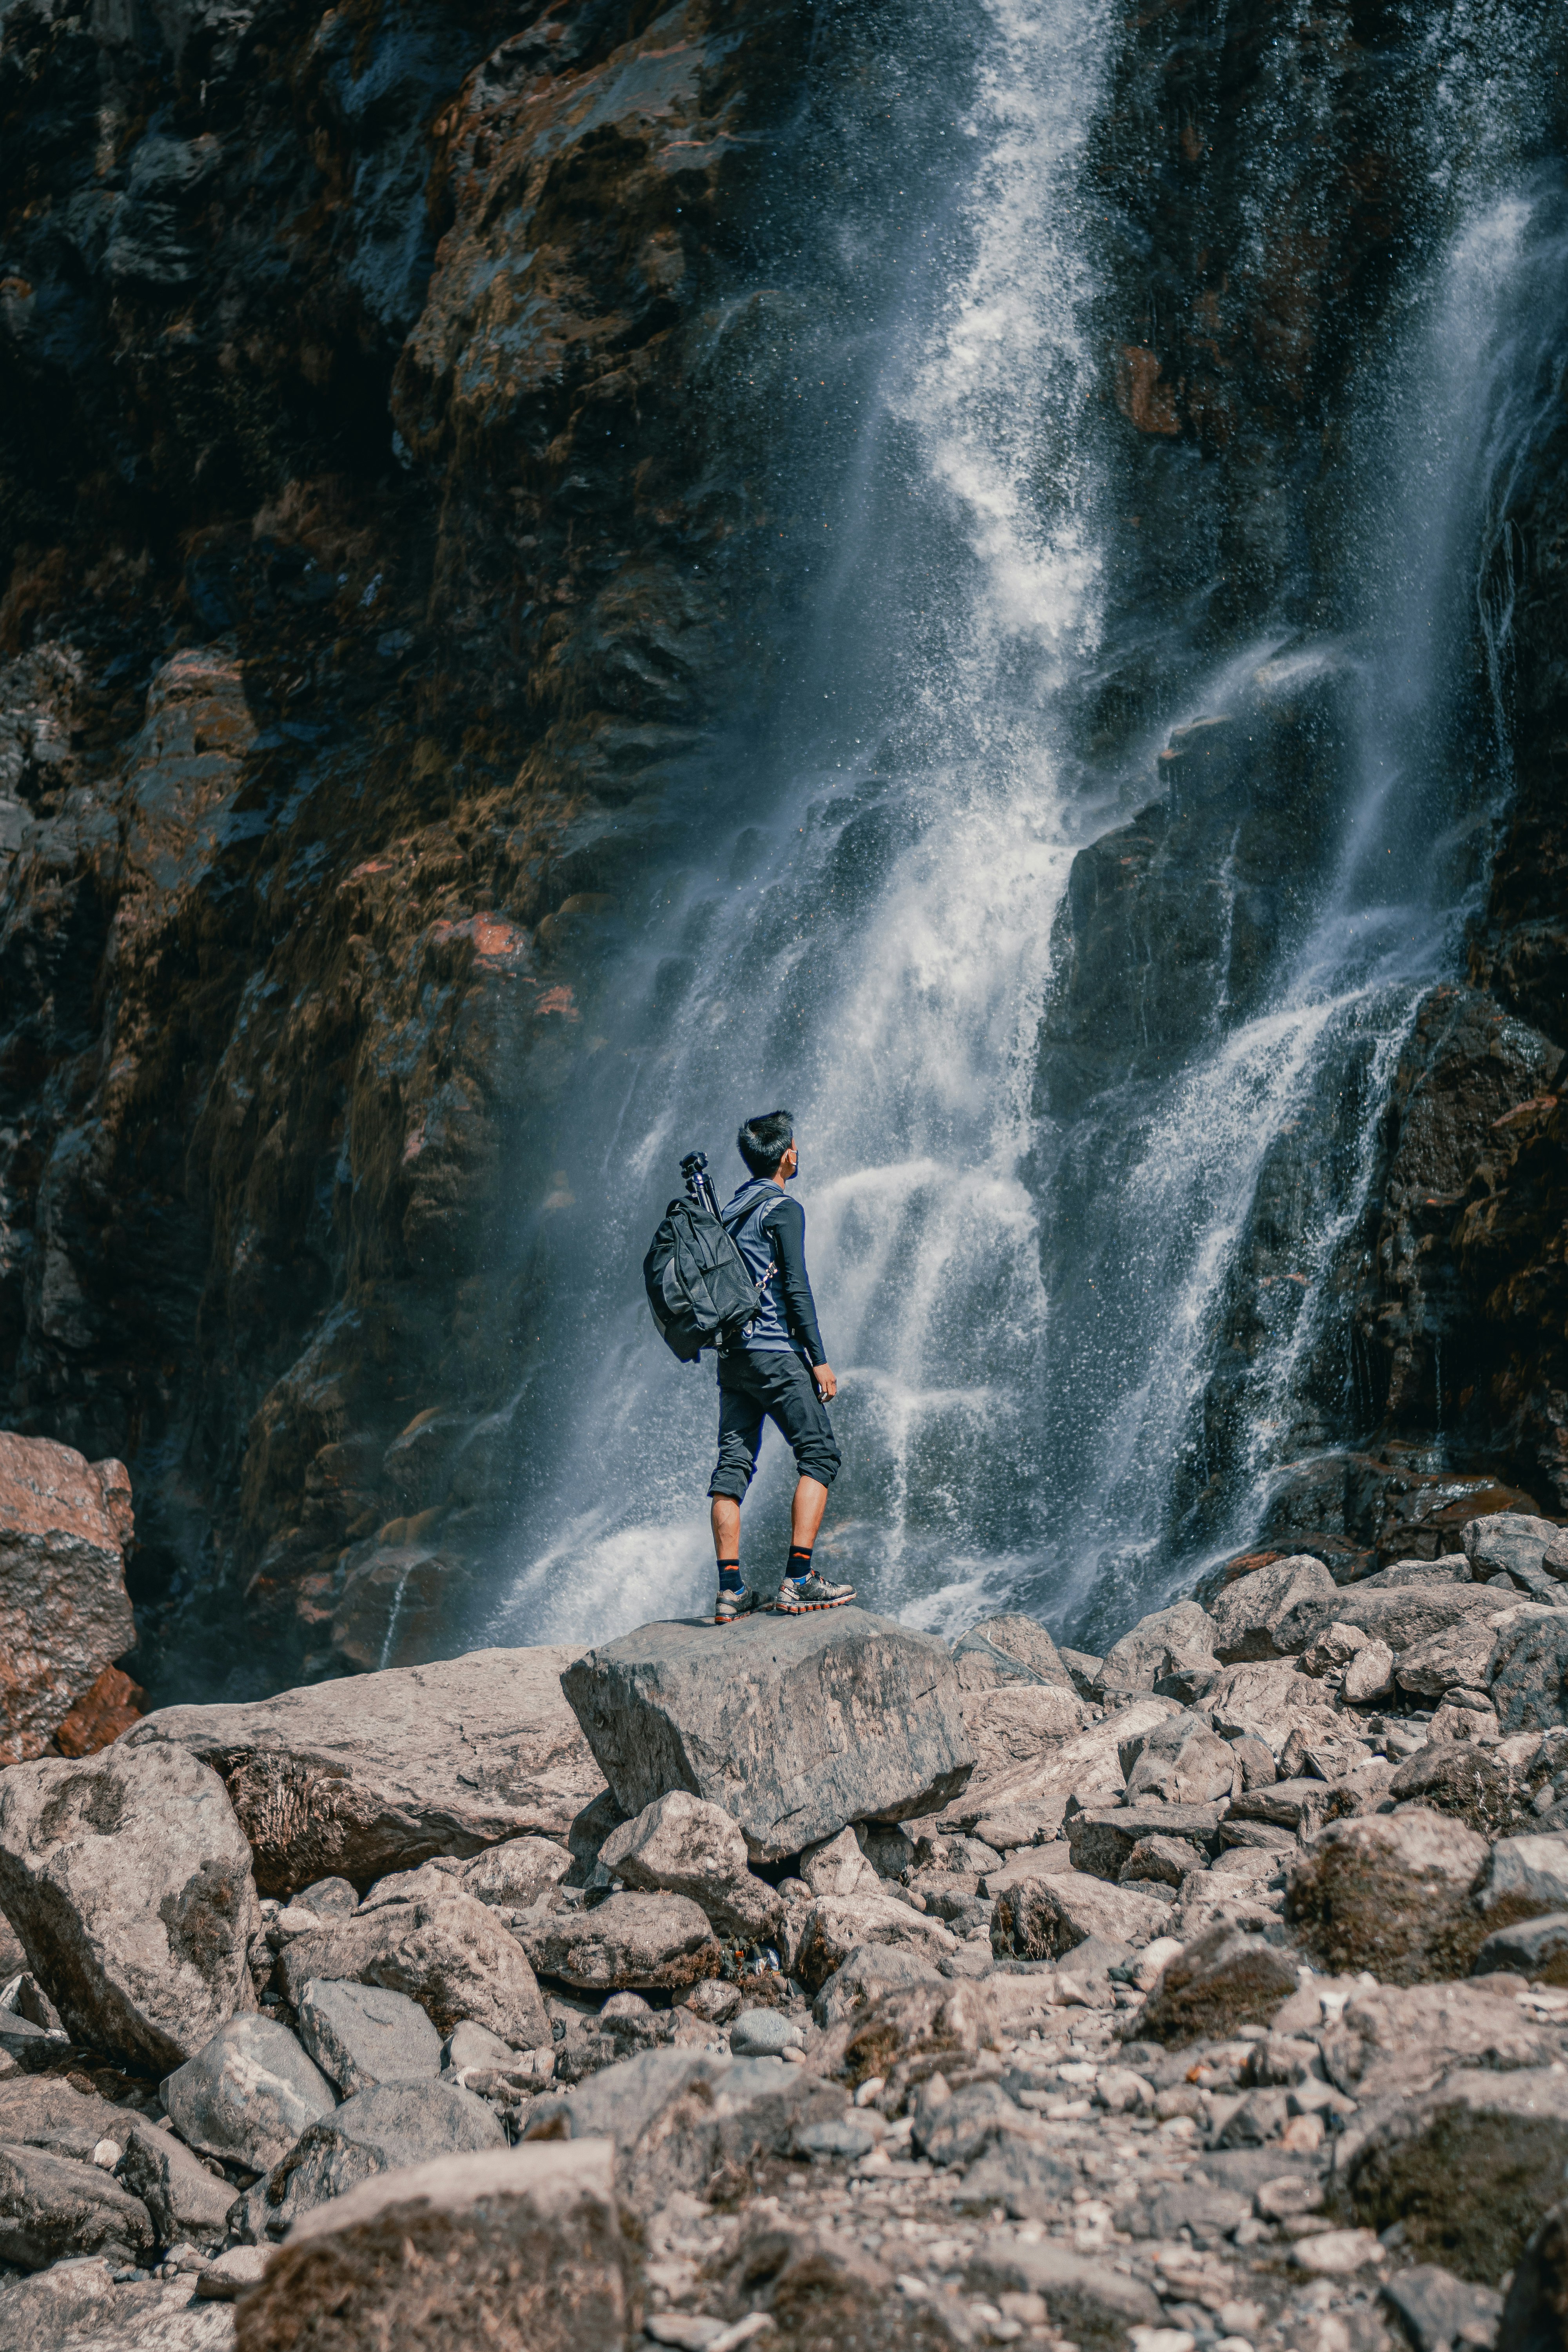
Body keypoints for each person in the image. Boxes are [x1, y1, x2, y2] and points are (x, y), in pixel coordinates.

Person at [708, 1109, 856, 1624]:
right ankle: (798, 1581)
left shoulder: (727, 1210)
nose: (798, 1150)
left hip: (732, 1361)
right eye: (795, 1144)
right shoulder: (783, 1210)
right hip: (775, 1353)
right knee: (820, 1454)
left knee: (731, 1470)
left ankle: (731, 1591)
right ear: (785, 1155)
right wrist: (819, 1359)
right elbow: (796, 1288)